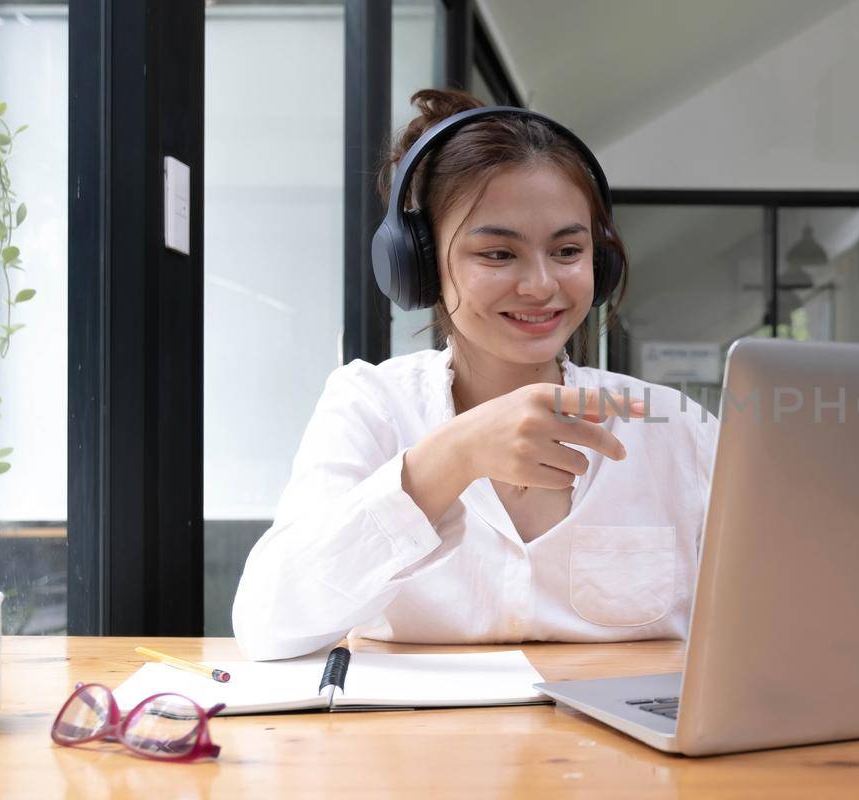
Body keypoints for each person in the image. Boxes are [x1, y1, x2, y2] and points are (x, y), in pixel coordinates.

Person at [232, 89, 718, 661]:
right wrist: (451, 457)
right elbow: (270, 624)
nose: (541, 285)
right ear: (418, 266)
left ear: (600, 261)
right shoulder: (372, 405)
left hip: (630, 748)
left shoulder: (674, 427)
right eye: (497, 255)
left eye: (567, 250)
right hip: (415, 749)